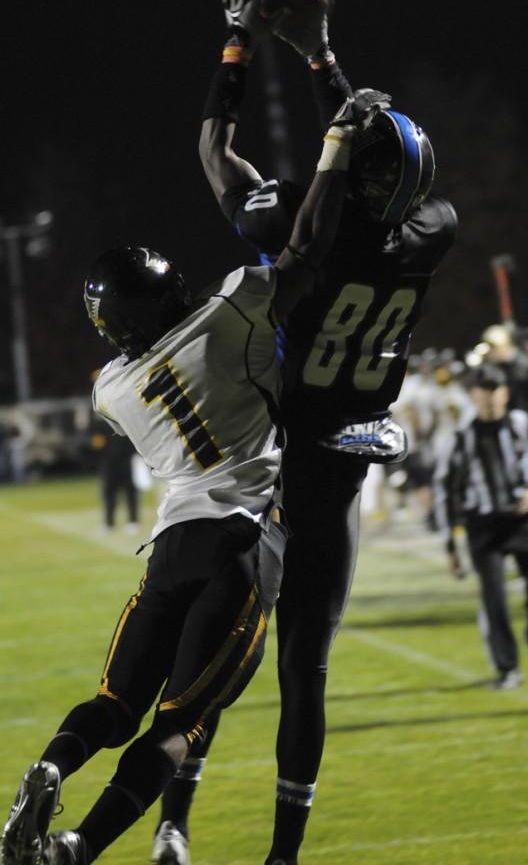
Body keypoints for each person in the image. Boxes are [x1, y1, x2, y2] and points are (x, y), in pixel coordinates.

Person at [0, 78, 366, 865]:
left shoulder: (111, 391)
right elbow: (302, 252)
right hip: (240, 545)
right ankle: (76, 849)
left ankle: (53, 763)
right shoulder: (230, 311)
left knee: (115, 702)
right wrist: (334, 149)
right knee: (180, 725)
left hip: (170, 550)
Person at [153, 0, 457, 865]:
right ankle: (283, 856)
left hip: (271, 463)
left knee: (210, 655)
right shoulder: (434, 229)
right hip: (342, 469)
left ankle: (173, 823)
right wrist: (325, 64)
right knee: (304, 671)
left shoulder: (303, 225)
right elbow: (381, 158)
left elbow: (218, 156)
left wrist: (240, 45)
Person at [434, 363, 528, 689]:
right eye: (483, 389)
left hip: (526, 522)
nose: (490, 396)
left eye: (495, 389)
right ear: (473, 395)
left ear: (505, 392)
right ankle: (508, 668)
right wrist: (451, 544)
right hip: (484, 527)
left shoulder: (526, 427)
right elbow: (447, 493)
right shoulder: (461, 438)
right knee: (494, 598)